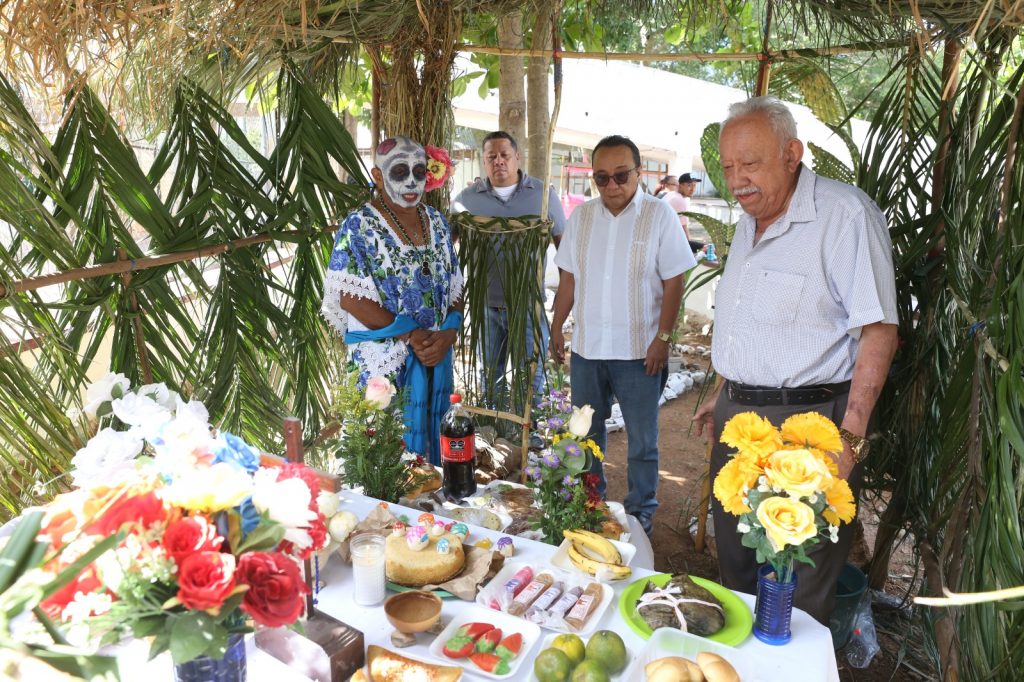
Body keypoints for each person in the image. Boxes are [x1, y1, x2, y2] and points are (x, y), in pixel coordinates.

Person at [693, 96, 899, 624]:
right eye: (728, 167)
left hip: (811, 427)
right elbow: (752, 319)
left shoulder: (844, 215)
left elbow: (879, 330)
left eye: (750, 163)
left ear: (792, 154)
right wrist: (723, 391)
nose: (736, 180)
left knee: (798, 582)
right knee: (738, 568)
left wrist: (851, 436)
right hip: (739, 422)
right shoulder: (749, 220)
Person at [550, 135, 697, 536]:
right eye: (602, 178)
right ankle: (590, 502)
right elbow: (568, 279)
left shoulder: (660, 215)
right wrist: (556, 327)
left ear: (638, 172)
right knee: (585, 433)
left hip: (639, 351)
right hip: (588, 349)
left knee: (642, 440)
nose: (612, 185)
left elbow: (674, 281)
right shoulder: (581, 218)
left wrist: (663, 339)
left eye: (621, 175)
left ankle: (640, 511)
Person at [322, 136, 464, 465]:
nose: (412, 181)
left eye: (419, 171)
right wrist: (411, 334)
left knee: (432, 467)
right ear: (377, 176)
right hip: (384, 369)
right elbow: (351, 298)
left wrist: (449, 332)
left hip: (434, 358)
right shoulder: (359, 225)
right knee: (384, 464)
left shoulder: (437, 222)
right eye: (400, 171)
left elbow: (455, 286)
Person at [452, 131, 567, 404]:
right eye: (491, 156)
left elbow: (565, 251)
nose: (499, 161)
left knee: (531, 379)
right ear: (484, 160)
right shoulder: (466, 199)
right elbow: (445, 248)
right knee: (489, 378)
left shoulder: (543, 195)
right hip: (484, 306)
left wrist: (563, 301)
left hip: (529, 305)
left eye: (505, 155)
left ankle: (528, 426)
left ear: (518, 157)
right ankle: (492, 425)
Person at [662, 172, 705, 252]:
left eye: (694, 185)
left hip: (663, 237)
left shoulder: (671, 194)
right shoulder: (679, 200)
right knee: (707, 248)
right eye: (689, 185)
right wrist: (688, 252)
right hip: (666, 242)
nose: (692, 189)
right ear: (680, 185)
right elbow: (684, 229)